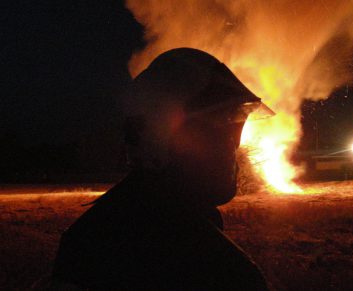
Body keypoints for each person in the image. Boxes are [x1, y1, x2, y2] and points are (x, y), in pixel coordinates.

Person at [50, 48, 270, 290]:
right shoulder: (218, 268)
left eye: (234, 127)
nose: (232, 145)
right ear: (159, 135)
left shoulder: (94, 235)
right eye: (218, 125)